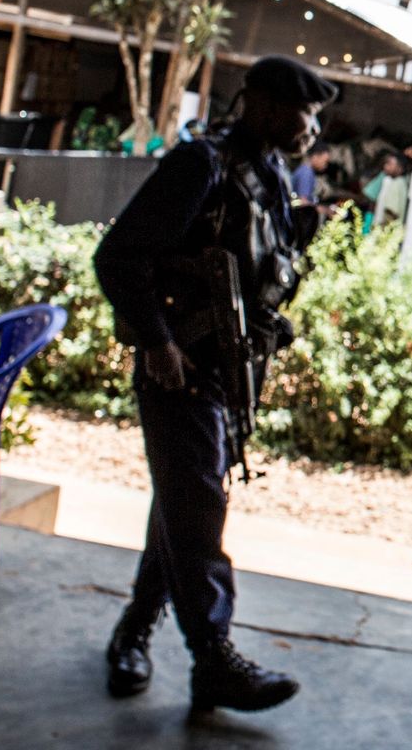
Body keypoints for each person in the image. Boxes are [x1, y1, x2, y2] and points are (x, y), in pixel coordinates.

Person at [92, 56, 337, 713]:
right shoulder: (200, 164)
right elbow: (118, 256)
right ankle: (213, 658)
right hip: (183, 368)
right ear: (258, 104)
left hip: (231, 372)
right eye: (301, 112)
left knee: (181, 506)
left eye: (314, 115)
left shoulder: (270, 175)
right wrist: (157, 342)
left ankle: (133, 634)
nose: (310, 126)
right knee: (196, 508)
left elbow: (259, 268)